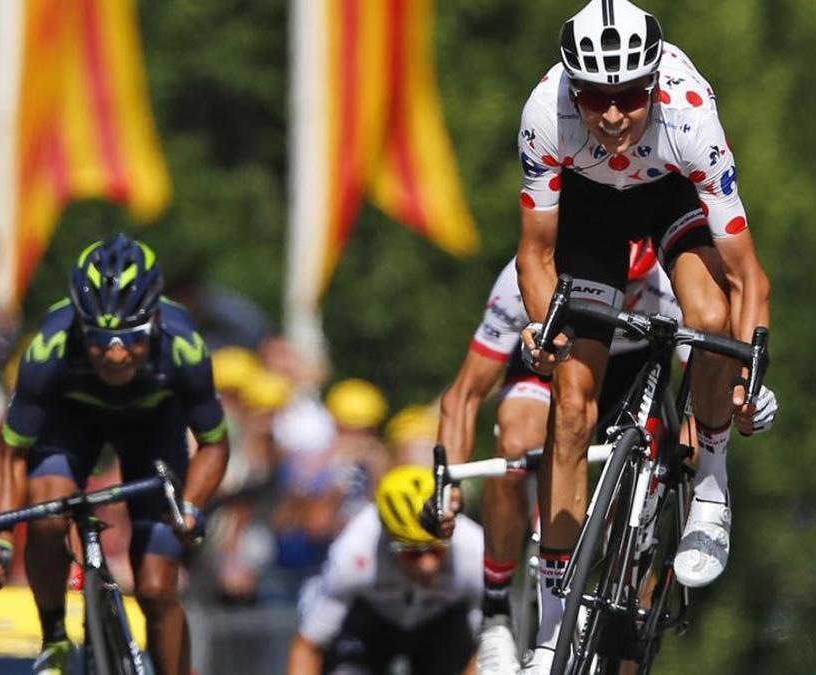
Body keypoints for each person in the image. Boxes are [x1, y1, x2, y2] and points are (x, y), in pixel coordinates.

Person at [512, 1, 773, 670]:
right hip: (590, 213)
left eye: (630, 94)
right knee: (571, 405)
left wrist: (748, 378)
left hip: (671, 197)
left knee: (710, 320)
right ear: (574, 88)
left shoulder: (690, 113)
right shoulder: (547, 113)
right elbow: (536, 255)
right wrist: (550, 339)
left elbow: (748, 278)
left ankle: (710, 482)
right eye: (596, 95)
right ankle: (551, 624)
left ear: (653, 83)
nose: (613, 113)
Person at [434, 243, 777, 672]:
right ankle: (497, 608)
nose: (622, 288)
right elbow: (463, 397)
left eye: (630, 283)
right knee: (517, 442)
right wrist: (446, 488)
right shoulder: (522, 278)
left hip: (630, 372)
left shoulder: (670, 281)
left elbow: (712, 375)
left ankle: (635, 576)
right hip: (557, 361)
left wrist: (743, 399)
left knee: (681, 448)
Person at [0, 234, 229, 675]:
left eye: (131, 338)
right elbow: (12, 453)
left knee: (156, 586)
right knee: (48, 513)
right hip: (73, 422)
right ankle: (53, 634)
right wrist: (1, 538)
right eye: (99, 338)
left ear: (155, 323)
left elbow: (214, 443)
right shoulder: (48, 348)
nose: (114, 353)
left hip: (154, 428)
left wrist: (191, 508)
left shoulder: (184, 347)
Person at [288, 465, 484, 675]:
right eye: (412, 553)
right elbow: (309, 647)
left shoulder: (473, 549)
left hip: (440, 627)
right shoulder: (354, 552)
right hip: (372, 624)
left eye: (436, 550)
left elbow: (485, 649)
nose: (428, 565)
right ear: (388, 541)